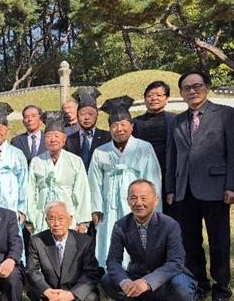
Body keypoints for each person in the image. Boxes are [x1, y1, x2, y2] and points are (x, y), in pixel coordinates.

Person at [165, 71, 234, 301]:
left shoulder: (226, 115)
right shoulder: (177, 121)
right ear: (181, 93)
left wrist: (233, 186)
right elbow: (172, 156)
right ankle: (200, 284)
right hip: (184, 191)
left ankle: (222, 289)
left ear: (207, 87)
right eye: (186, 88)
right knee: (190, 242)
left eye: (197, 86)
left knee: (219, 241)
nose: (192, 91)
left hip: (215, 189)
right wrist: (171, 188)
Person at [101, 180, 197, 301]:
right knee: (108, 279)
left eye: (144, 198)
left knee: (182, 284)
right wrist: (125, 282)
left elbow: (176, 262)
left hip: (168, 281)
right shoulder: (120, 226)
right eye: (133, 198)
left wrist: (147, 282)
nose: (138, 203)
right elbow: (113, 261)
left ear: (156, 200)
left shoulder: (170, 225)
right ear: (128, 200)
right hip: (136, 277)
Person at [89, 96, 162, 266]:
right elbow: (94, 182)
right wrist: (96, 209)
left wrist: (152, 206)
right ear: (109, 128)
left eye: (123, 124)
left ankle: (138, 269)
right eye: (114, 125)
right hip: (110, 205)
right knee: (110, 237)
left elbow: (153, 178)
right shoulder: (101, 152)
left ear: (131, 126)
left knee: (138, 237)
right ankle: (111, 271)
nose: (119, 129)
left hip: (137, 203)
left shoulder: (144, 148)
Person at [26, 202, 101, 301]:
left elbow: (91, 273)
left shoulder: (84, 241)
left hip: (75, 290)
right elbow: (32, 270)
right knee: (35, 289)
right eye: (51, 219)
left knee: (91, 297)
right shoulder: (37, 241)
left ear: (70, 220)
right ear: (46, 221)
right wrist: (48, 292)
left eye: (61, 219)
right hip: (52, 291)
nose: (56, 223)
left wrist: (70, 295)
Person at [26, 111, 91, 234]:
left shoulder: (75, 161)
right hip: (42, 216)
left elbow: (82, 191)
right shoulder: (36, 161)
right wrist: (30, 219)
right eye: (49, 136)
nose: (53, 140)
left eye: (56, 136)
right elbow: (30, 190)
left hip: (67, 215)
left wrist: (82, 221)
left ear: (64, 139)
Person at [132, 81, 176, 196]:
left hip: (170, 174)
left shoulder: (176, 120)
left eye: (159, 95)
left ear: (167, 99)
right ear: (145, 99)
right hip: (144, 174)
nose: (154, 98)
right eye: (150, 95)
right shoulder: (135, 123)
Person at [65, 88, 110, 171]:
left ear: (97, 115)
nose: (87, 117)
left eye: (91, 114)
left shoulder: (107, 138)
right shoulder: (69, 140)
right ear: (77, 115)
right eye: (82, 114)